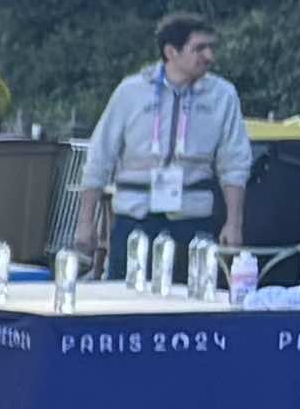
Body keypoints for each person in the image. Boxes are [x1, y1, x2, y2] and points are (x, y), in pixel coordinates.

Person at [79, 13, 249, 259]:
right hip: (135, 217)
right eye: (199, 49)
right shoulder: (131, 92)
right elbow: (100, 157)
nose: (209, 57)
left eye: (212, 48)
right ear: (171, 52)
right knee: (126, 295)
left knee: (191, 296)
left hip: (193, 219)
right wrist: (86, 222)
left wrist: (234, 223)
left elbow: (234, 162)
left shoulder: (223, 96)